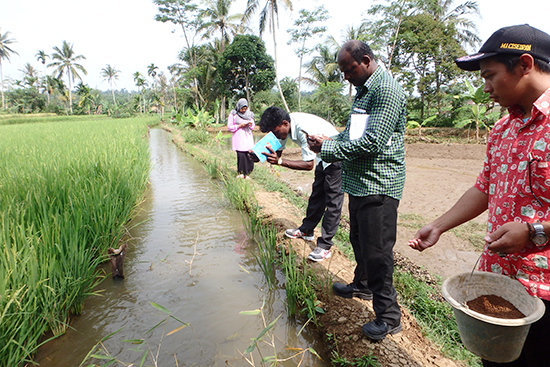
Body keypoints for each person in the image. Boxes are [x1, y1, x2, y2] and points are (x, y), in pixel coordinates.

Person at [407, 24, 550, 367]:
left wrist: (534, 232)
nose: (485, 88)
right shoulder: (503, 128)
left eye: (490, 75)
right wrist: (439, 225)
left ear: (525, 64)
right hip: (498, 284)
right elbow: (485, 187)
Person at [307, 40, 407, 340]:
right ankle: (361, 286)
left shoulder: (385, 91)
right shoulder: (364, 92)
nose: (346, 77)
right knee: (359, 239)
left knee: (377, 252)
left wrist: (329, 146)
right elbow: (352, 134)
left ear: (365, 61)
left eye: (349, 70)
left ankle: (389, 317)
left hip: (380, 183)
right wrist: (329, 140)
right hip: (360, 183)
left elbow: (373, 142)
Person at [258, 106, 344, 262]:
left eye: (276, 133)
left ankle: (325, 246)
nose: (277, 136)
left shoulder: (305, 130)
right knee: (317, 195)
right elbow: (277, 152)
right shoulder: (286, 127)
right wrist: (258, 156)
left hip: (336, 156)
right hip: (323, 157)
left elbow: (308, 165)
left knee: (333, 202)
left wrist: (280, 162)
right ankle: (306, 230)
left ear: (284, 123)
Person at [227, 98, 255, 179]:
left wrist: (249, 124)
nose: (243, 110)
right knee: (241, 156)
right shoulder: (233, 114)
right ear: (238, 107)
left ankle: (247, 174)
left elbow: (253, 126)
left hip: (248, 138)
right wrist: (239, 126)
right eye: (242, 108)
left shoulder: (250, 114)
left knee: (249, 156)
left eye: (245, 108)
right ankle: (241, 173)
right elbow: (230, 127)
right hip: (238, 138)